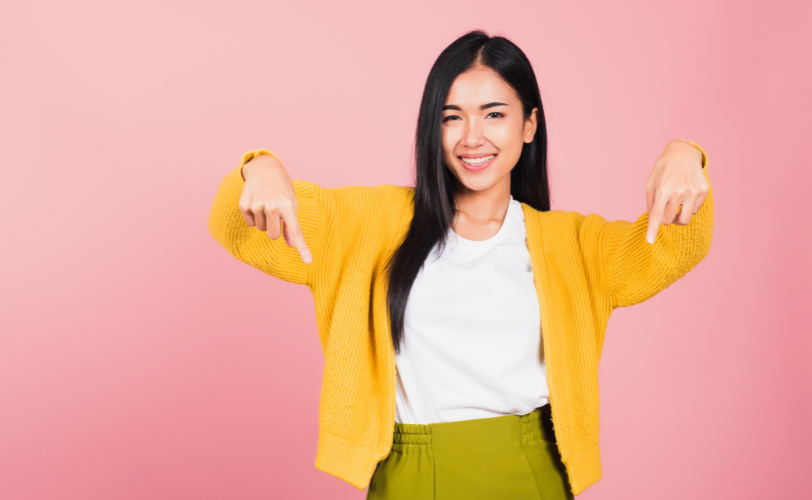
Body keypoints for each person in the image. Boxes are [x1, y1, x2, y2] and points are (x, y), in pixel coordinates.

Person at [208, 30, 713, 499]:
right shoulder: (369, 223)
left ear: (529, 123)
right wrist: (261, 166)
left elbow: (674, 247)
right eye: (452, 117)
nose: (472, 137)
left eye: (494, 114)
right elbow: (236, 223)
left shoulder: (574, 245)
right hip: (409, 471)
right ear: (434, 128)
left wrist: (686, 153)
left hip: (533, 468)